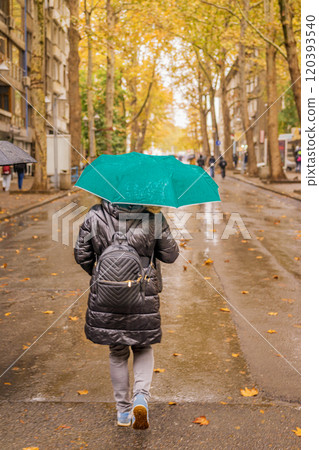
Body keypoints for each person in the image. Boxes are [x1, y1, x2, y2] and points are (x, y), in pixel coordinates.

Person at [74, 201, 179, 429]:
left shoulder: (94, 214)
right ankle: (140, 398)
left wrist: (101, 276)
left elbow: (81, 255)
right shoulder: (153, 216)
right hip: (142, 291)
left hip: (107, 291)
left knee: (117, 350)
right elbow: (170, 255)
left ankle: (122, 411)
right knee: (142, 345)